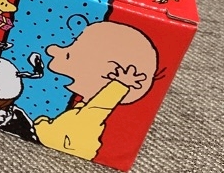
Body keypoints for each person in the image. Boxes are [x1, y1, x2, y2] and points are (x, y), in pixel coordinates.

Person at [34, 21, 158, 161]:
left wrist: (120, 85)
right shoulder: (81, 110)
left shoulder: (90, 116)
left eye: (69, 54)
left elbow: (101, 106)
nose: (51, 50)